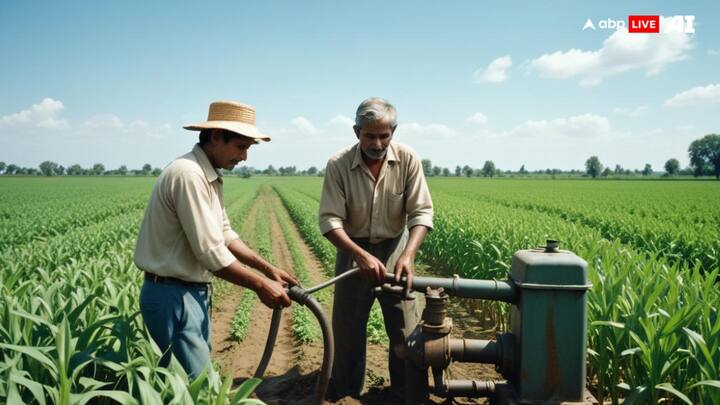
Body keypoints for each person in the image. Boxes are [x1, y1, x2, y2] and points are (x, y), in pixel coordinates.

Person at [134, 100, 297, 379]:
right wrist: (260, 285)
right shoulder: (189, 175)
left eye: (248, 148)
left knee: (192, 382)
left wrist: (267, 269)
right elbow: (210, 253)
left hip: (189, 293)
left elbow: (224, 233)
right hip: (173, 295)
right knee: (191, 385)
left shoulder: (207, 174)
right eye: (240, 146)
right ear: (216, 136)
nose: (244, 156)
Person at [319, 97, 434, 399]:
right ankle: (346, 391)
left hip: (395, 245)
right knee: (347, 326)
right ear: (356, 132)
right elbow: (330, 220)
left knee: (405, 326)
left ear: (393, 131)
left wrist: (408, 254)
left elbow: (421, 212)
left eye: (385, 135)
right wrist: (359, 255)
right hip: (353, 247)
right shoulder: (338, 164)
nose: (378, 142)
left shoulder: (408, 159)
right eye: (370, 135)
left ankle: (405, 392)